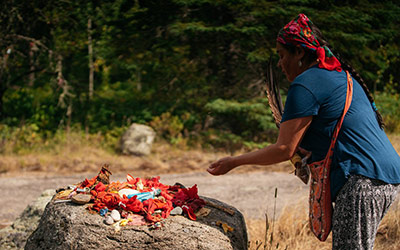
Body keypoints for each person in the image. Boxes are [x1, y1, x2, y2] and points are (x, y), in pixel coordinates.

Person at [207, 13, 400, 249]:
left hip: (361, 180)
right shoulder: (340, 75)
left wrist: (233, 162)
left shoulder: (306, 83)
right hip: (385, 177)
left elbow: (283, 149)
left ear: (299, 53)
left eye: (282, 55)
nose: (279, 63)